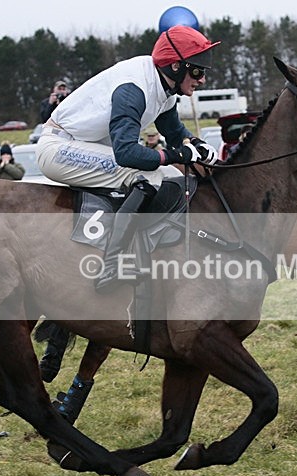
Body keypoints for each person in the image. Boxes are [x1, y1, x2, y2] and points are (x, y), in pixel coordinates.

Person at [36, 24, 220, 294]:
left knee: (175, 179)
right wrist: (174, 155)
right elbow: (126, 154)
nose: (202, 79)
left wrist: (196, 144)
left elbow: (174, 132)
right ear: (175, 67)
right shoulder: (134, 89)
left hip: (86, 146)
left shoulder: (163, 85)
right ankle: (113, 264)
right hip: (60, 148)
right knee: (147, 177)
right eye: (197, 70)